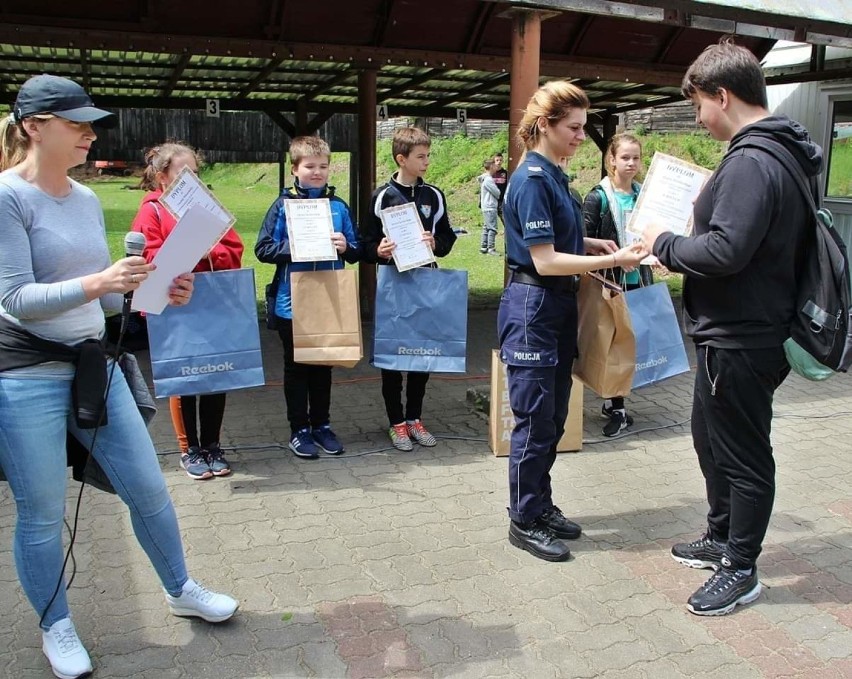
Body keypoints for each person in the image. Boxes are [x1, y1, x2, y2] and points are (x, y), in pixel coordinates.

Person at [0, 74, 238, 679]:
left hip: (91, 364)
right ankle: (56, 623)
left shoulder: (82, 200)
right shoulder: (7, 197)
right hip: (25, 372)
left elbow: (102, 303)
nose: (88, 131)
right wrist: (103, 282)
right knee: (41, 511)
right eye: (73, 121)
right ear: (33, 126)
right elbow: (16, 298)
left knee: (149, 489)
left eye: (89, 122)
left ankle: (181, 588)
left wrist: (156, 288)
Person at [641, 40, 818, 616]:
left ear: (723, 95)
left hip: (742, 337)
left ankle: (740, 566)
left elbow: (727, 248)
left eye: (698, 105)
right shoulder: (779, 152)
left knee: (743, 454)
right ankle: (720, 535)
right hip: (739, 330)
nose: (698, 117)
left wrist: (664, 245)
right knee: (709, 436)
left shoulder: (752, 159)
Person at [498, 80, 646, 562]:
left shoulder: (553, 175)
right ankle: (523, 519)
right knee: (535, 420)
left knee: (554, 417)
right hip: (533, 309)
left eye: (584, 127)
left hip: (554, 309)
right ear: (545, 125)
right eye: (575, 127)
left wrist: (591, 246)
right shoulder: (532, 180)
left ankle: (540, 505)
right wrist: (612, 258)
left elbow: (558, 244)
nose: (583, 136)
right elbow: (541, 260)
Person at [132, 142, 244, 480]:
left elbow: (233, 251)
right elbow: (148, 256)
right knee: (183, 378)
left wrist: (210, 250)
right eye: (183, 173)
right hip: (174, 307)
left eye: (195, 173)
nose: (191, 180)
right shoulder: (151, 210)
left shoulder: (208, 208)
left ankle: (212, 445)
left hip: (211, 305)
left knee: (214, 376)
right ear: (163, 175)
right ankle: (189, 449)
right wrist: (190, 248)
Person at [255, 135, 361, 460]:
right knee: (297, 366)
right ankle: (299, 430)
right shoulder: (283, 205)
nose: (317, 172)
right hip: (292, 299)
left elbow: (356, 250)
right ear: (295, 169)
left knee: (323, 365)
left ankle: (322, 426)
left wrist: (345, 245)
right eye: (310, 166)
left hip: (328, 295)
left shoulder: (338, 206)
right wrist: (297, 246)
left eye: (323, 166)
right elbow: (263, 249)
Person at [362, 126, 457, 452]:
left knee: (422, 355)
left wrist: (436, 242)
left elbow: (448, 238)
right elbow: (365, 242)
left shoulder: (434, 195)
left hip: (426, 282)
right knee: (393, 357)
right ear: (402, 159)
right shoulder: (381, 197)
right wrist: (379, 249)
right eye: (421, 156)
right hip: (393, 285)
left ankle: (415, 418)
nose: (427, 161)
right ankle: (396, 423)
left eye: (428, 155)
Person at [583, 132, 653, 437]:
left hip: (640, 281)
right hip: (609, 284)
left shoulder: (644, 195)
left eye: (636, 157)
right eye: (625, 157)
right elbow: (580, 242)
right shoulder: (597, 197)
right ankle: (617, 406)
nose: (631, 163)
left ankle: (616, 403)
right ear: (611, 159)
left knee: (629, 344)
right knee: (612, 345)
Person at [479, 158, 501, 255]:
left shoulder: (485, 179)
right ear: (491, 166)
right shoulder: (488, 180)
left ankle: (484, 246)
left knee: (486, 227)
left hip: (486, 206)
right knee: (492, 228)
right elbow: (497, 193)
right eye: (494, 165)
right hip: (490, 206)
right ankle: (491, 248)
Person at [492, 152, 509, 226]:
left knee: (505, 220)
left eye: (500, 160)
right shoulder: (491, 174)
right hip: (492, 201)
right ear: (494, 161)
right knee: (491, 223)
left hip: (502, 201)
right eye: (497, 160)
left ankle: (508, 235)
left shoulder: (505, 173)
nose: (499, 162)